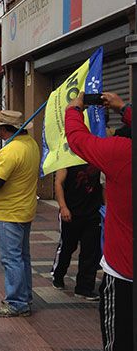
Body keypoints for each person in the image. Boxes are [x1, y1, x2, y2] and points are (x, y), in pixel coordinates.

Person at [65, 92, 132, 351]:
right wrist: (124, 108)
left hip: (125, 273)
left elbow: (78, 139)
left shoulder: (121, 153)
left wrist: (73, 109)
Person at [0, 109, 39, 318]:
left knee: (11, 258)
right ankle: (25, 297)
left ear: (5, 130)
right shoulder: (30, 145)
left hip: (9, 212)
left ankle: (16, 302)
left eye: (0, 129)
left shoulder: (11, 151)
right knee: (22, 257)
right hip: (24, 209)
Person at [49, 164, 102, 299]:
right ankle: (58, 275)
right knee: (67, 247)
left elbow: (103, 185)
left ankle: (84, 288)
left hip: (93, 214)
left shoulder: (96, 157)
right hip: (71, 213)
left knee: (90, 251)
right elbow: (58, 183)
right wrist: (63, 207)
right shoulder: (68, 159)